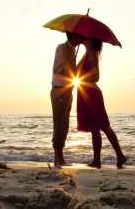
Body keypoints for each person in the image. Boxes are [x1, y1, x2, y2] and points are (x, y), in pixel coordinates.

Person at [76, 37, 127, 169]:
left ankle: (120, 155)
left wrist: (81, 74)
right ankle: (97, 160)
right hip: (84, 93)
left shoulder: (92, 53)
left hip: (92, 93)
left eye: (86, 37)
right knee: (94, 128)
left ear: (91, 40)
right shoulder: (85, 54)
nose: (83, 37)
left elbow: (96, 77)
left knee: (103, 125)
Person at [50, 31, 84, 167]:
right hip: (59, 89)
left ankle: (58, 160)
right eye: (81, 35)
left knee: (63, 124)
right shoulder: (62, 48)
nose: (83, 37)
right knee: (60, 123)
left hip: (66, 90)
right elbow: (57, 68)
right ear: (75, 36)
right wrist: (71, 72)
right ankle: (60, 159)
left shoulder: (72, 50)